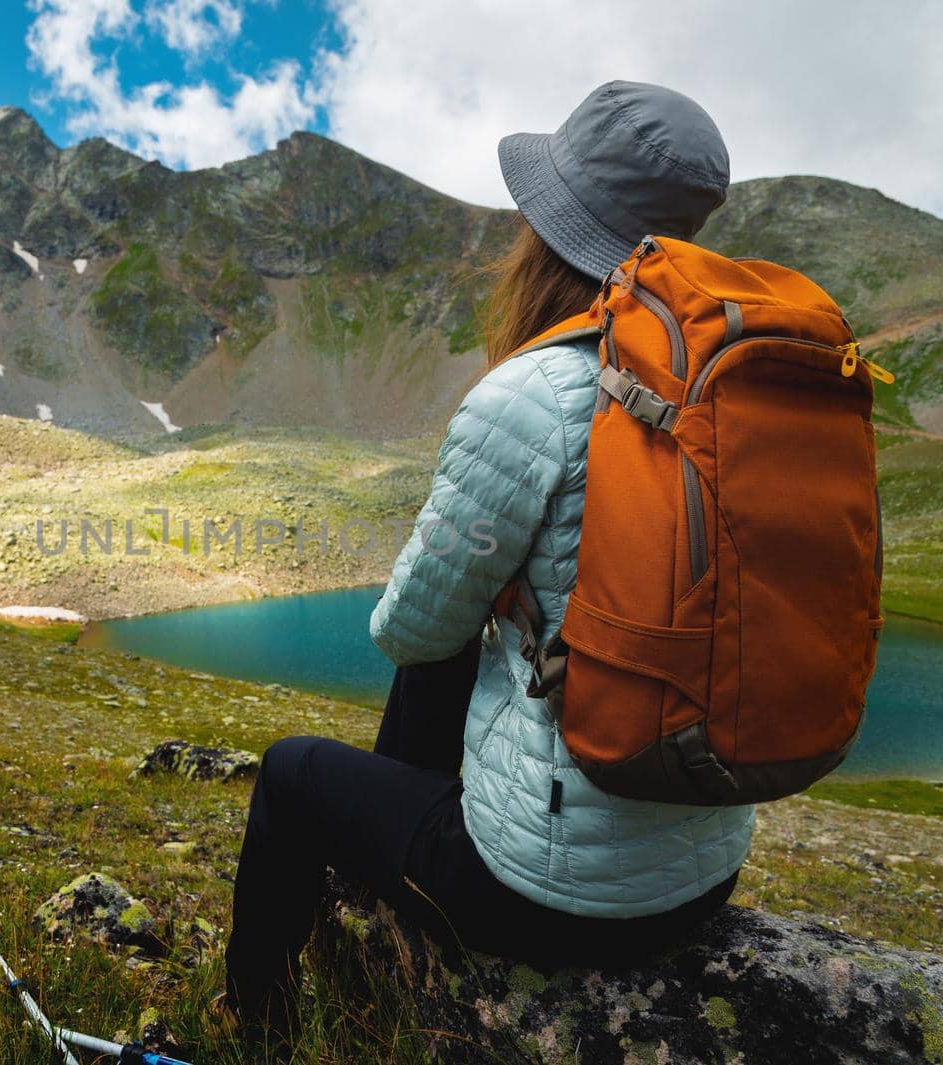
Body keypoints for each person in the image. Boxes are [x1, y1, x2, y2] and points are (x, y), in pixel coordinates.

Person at [223, 81, 756, 1038]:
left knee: (293, 772)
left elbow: (409, 628)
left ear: (551, 235)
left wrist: (467, 569)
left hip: (551, 894)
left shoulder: (536, 392)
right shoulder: (733, 385)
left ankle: (253, 1032)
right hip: (702, 871)